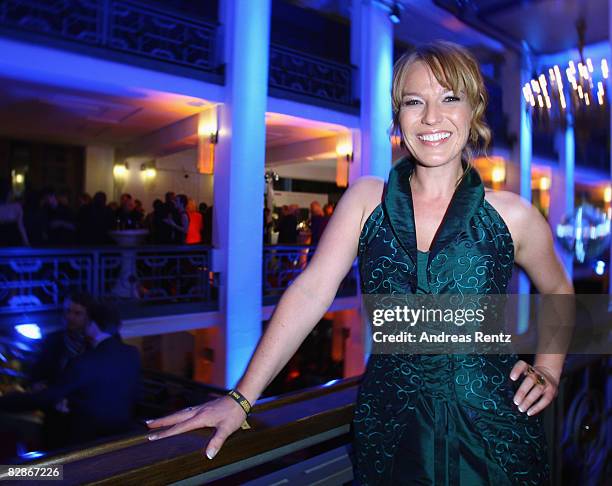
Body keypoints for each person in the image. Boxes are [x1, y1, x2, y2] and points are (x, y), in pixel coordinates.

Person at [146, 41, 573, 485]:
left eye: (449, 98)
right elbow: (311, 292)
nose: (431, 117)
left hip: (494, 434)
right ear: (398, 114)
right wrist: (241, 397)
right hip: (390, 431)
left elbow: (560, 290)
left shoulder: (513, 214)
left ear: (474, 108)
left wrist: (548, 369)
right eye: (414, 101)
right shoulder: (367, 201)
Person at [0, 302, 142, 446]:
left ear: (93, 325)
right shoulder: (132, 353)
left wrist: (6, 401)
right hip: (121, 435)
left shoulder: (84, 361)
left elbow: (46, 398)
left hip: (86, 440)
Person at [0, 178, 29, 246]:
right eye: (12, 192)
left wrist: (26, 240)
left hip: (10, 236)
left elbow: (20, 225)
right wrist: (26, 241)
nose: (13, 194)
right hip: (12, 236)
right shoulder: (17, 206)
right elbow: (20, 225)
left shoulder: (17, 206)